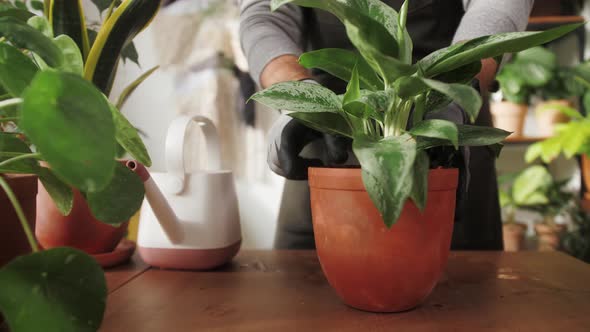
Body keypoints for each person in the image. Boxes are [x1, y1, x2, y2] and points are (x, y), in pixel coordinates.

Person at [239, 0, 534, 250]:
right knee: (303, 297)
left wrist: (449, 99)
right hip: (325, 139)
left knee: (461, 299)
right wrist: (298, 99)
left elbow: (496, 5)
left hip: (443, 133)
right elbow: (265, 14)